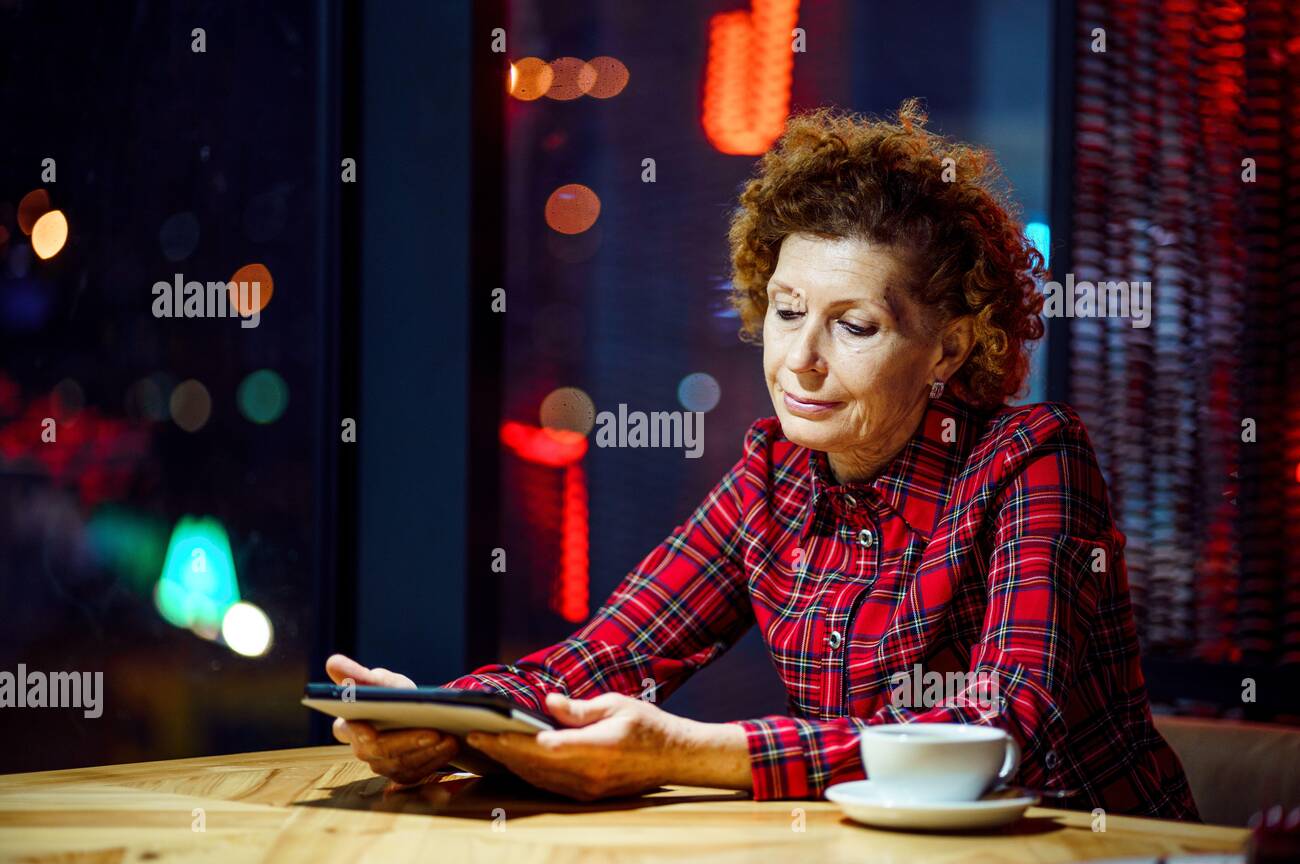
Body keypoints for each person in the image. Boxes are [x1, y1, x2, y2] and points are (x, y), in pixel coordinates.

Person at [326, 100, 1200, 820]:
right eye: (786, 311)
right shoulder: (773, 475)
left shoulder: (1033, 460)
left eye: (853, 326)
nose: (800, 361)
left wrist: (689, 751)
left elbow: (1003, 728)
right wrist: (443, 716)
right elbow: (604, 658)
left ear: (951, 347)